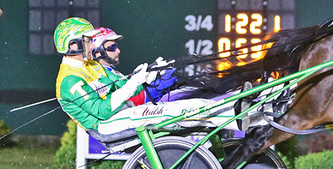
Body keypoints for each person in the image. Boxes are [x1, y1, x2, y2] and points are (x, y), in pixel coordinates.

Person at [54, 17, 238, 135]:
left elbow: (122, 86)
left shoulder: (91, 65)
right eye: (87, 41)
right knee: (177, 110)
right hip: (106, 125)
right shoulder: (69, 80)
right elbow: (102, 111)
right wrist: (133, 83)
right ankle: (235, 116)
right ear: (73, 45)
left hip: (121, 113)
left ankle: (232, 112)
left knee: (184, 106)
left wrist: (147, 78)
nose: (93, 46)